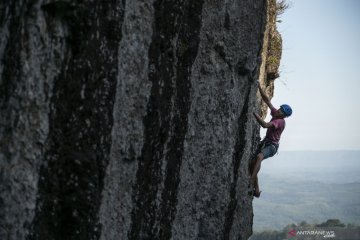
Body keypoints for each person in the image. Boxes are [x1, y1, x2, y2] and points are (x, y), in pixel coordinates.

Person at [250, 84, 292, 198]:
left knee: (259, 157)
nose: (279, 111)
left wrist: (253, 113)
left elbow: (264, 125)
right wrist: (258, 85)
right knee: (253, 163)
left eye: (282, 112)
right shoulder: (276, 113)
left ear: (284, 116)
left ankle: (251, 181)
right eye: (280, 109)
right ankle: (256, 190)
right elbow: (266, 100)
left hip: (272, 147)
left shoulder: (280, 122)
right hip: (266, 143)